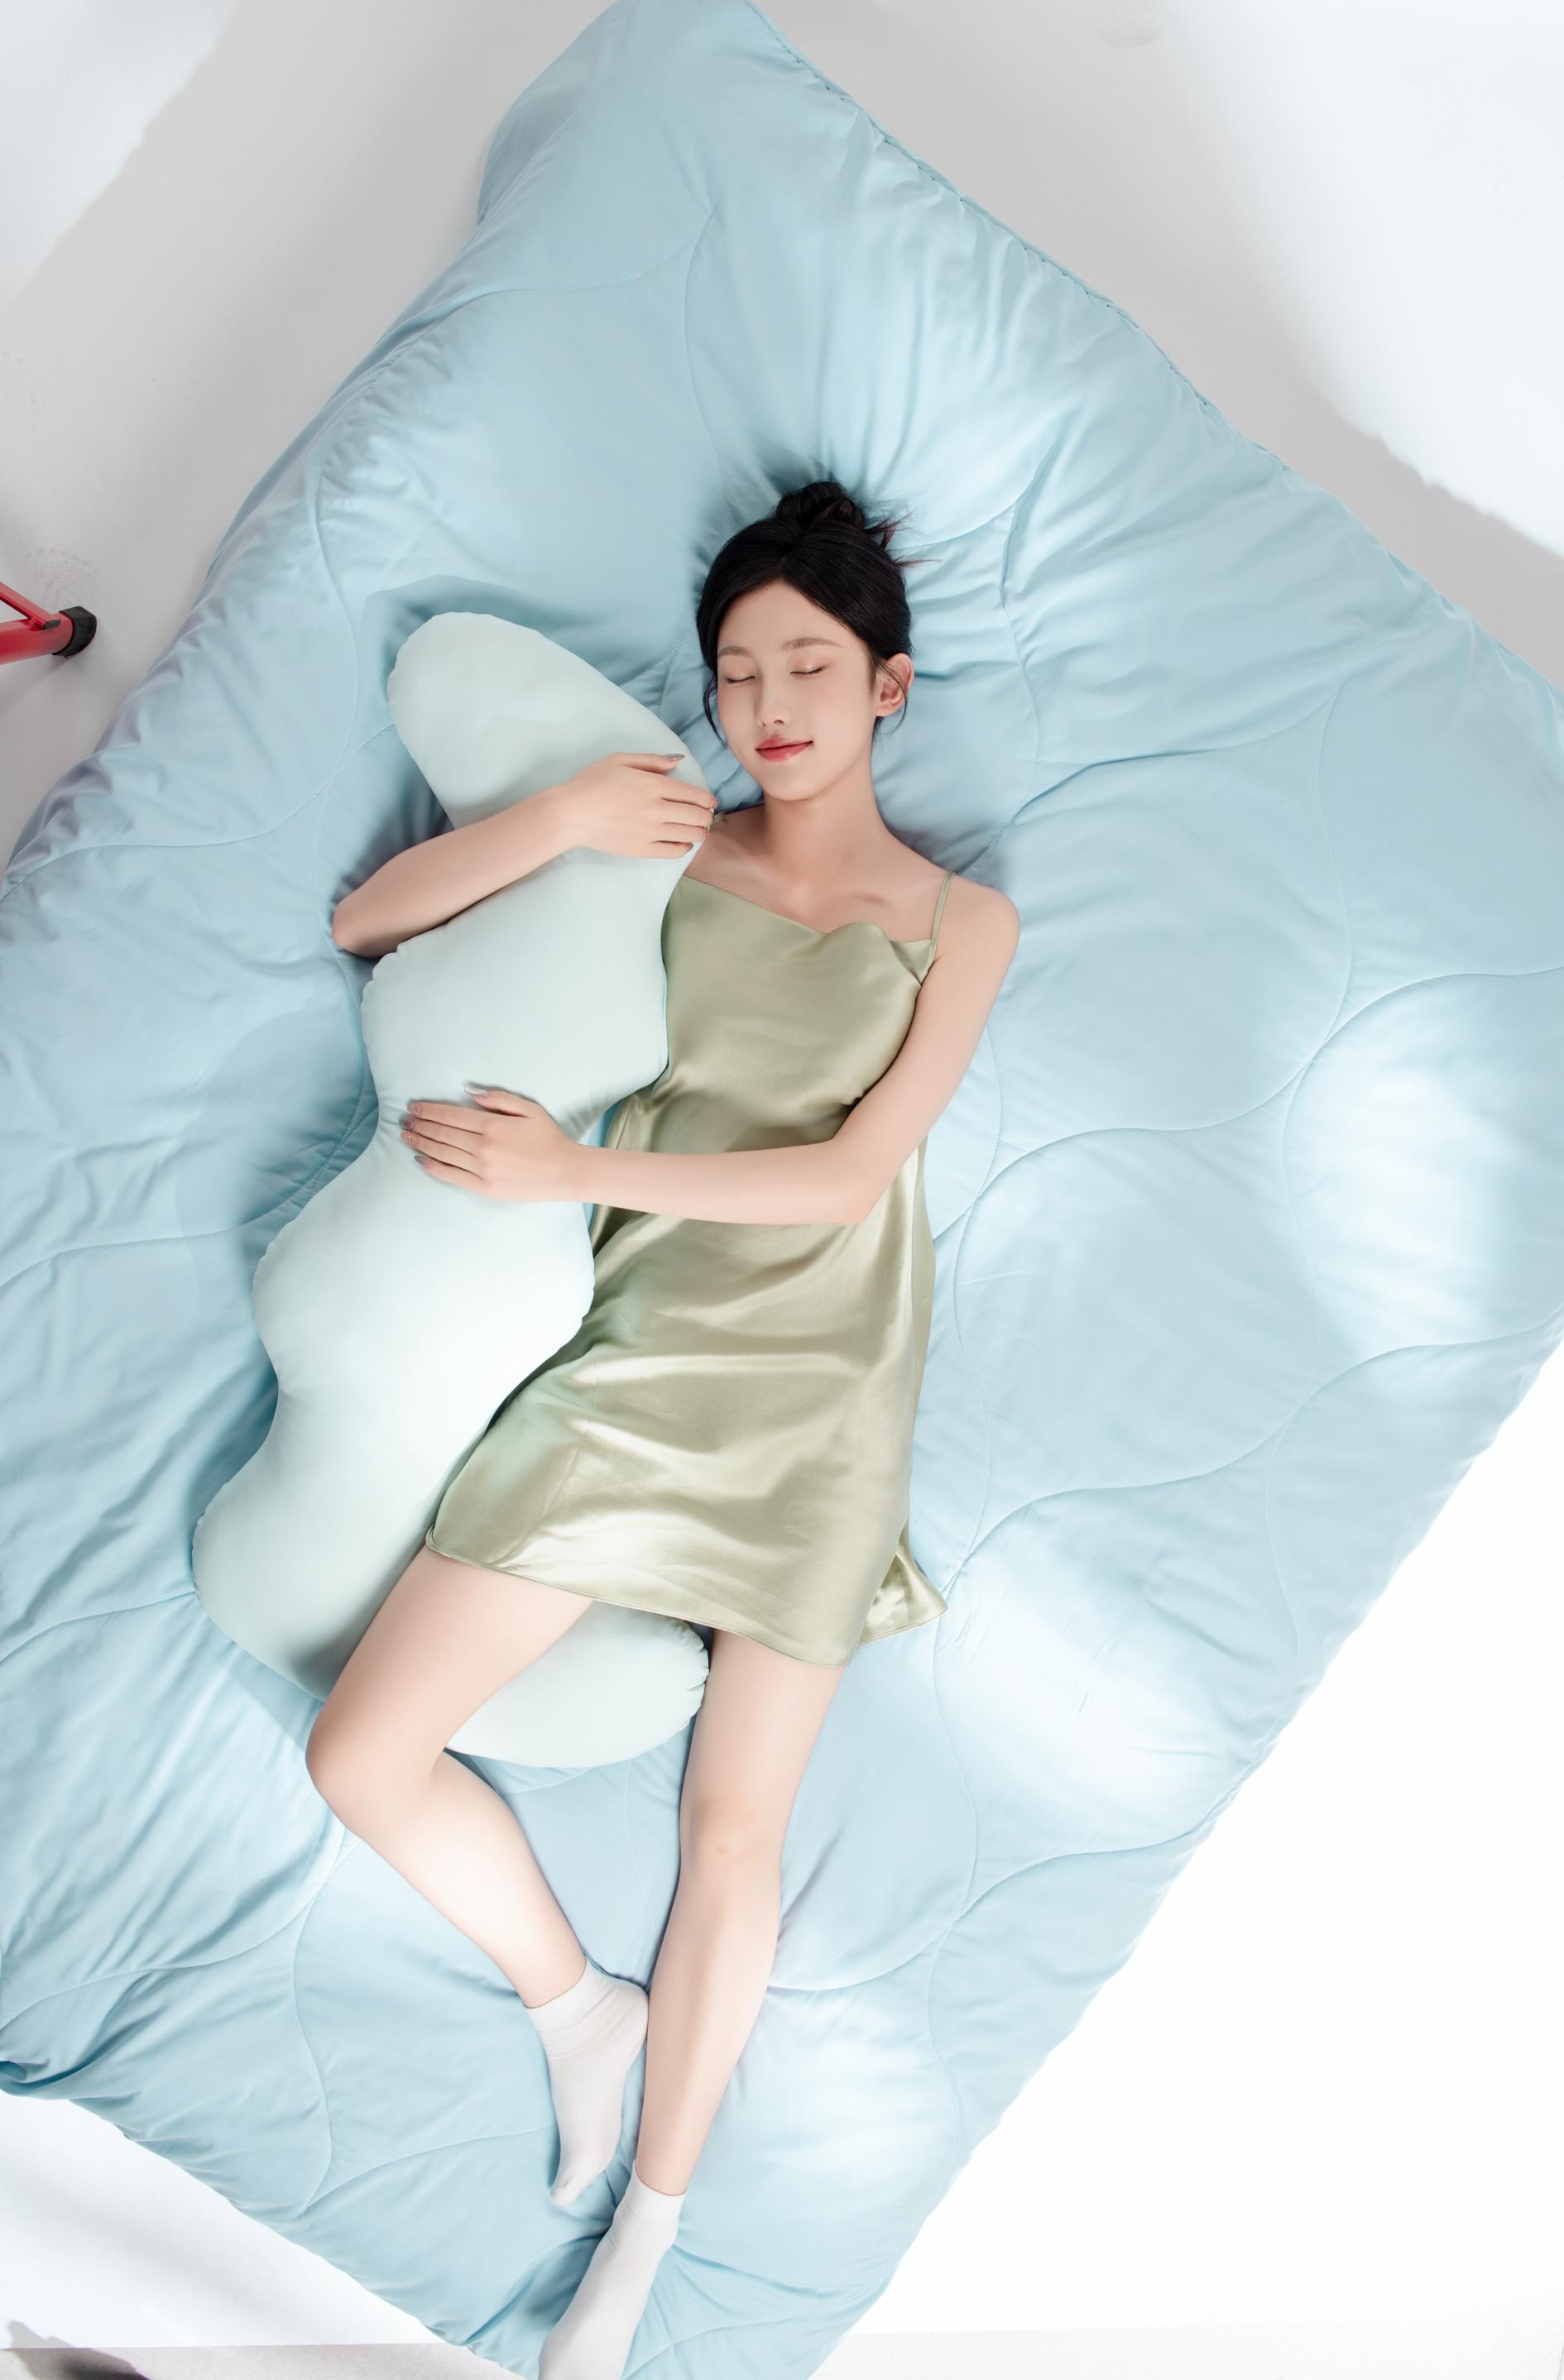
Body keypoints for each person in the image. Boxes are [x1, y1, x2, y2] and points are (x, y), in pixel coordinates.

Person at [309, 480, 1019, 2378]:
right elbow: (368, 922)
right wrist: (556, 821)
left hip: (822, 1399)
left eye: (809, 667)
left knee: (733, 1827)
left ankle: (646, 2231)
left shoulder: (963, 920)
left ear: (888, 684)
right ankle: (574, 2007)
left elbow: (851, 1176)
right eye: (737, 673)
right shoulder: (671, 843)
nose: (769, 706)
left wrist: (576, 1168)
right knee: (361, 1749)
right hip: (631, 1369)